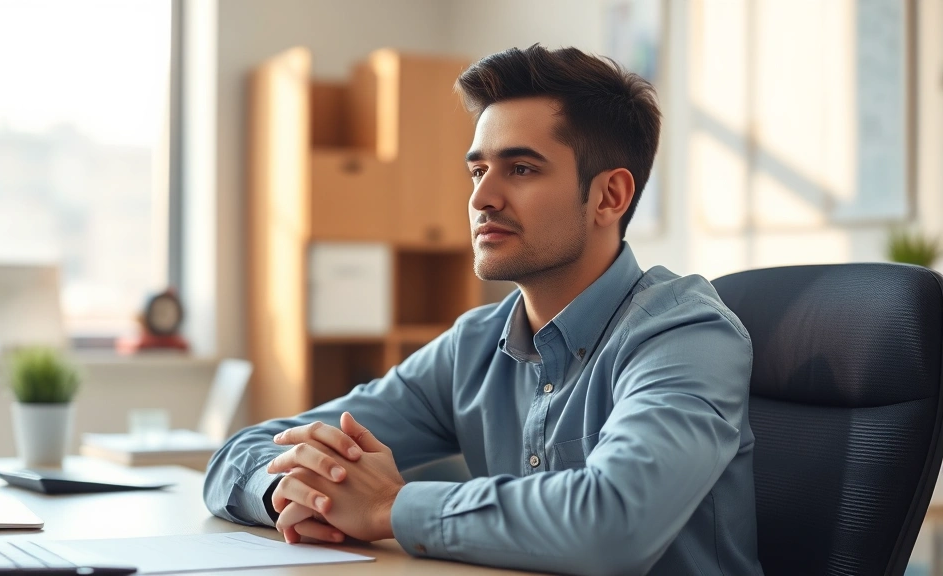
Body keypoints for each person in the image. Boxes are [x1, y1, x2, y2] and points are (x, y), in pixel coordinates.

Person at [204, 44, 763, 576]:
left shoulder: (685, 334)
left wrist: (389, 506)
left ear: (609, 196)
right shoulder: (475, 344)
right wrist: (294, 488)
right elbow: (239, 454)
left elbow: (614, 521)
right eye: (478, 171)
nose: (481, 199)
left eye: (520, 169)